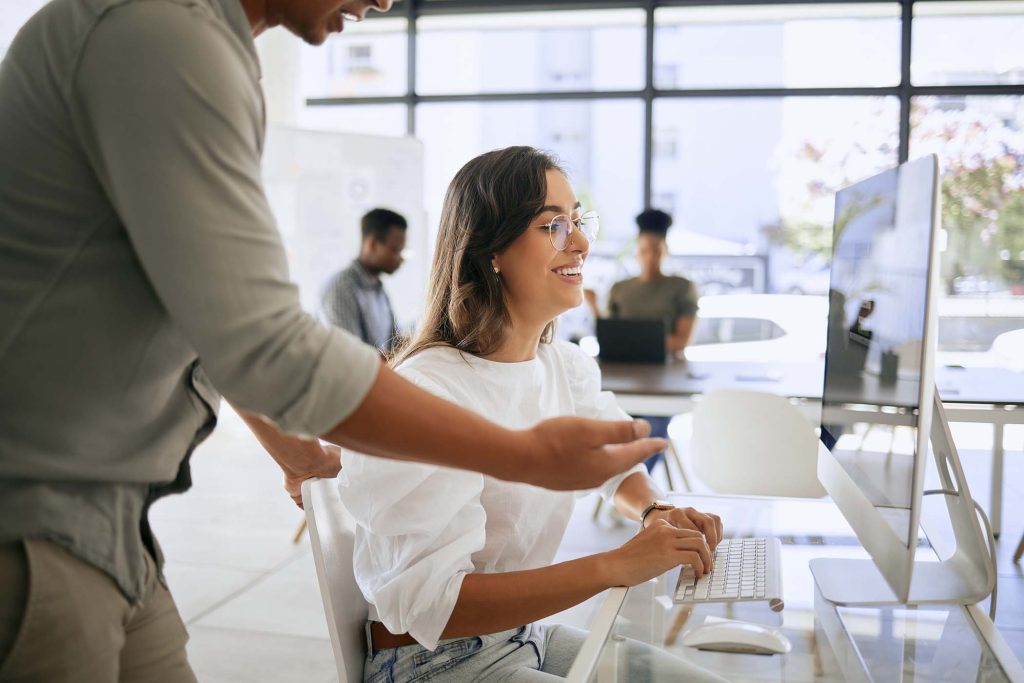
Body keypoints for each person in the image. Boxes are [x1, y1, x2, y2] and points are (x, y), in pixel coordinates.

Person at [0, 2, 665, 679]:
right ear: (490, 251)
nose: (382, 0)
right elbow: (263, 338)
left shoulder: (195, 48)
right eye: (554, 224)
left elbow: (200, 310)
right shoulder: (159, 35)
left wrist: (297, 454)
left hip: (111, 523)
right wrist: (524, 456)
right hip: (34, 513)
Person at [340, 147, 727, 683]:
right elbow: (432, 605)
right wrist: (615, 565)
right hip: (433, 661)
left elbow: (613, 458)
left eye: (578, 221)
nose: (582, 242)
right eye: (553, 225)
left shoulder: (562, 366)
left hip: (524, 635)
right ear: (490, 249)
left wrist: (652, 510)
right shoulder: (428, 392)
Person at [585, 209, 700, 472]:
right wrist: (593, 307)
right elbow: (610, 334)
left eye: (657, 250)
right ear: (636, 251)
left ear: (666, 251)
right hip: (623, 378)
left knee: (649, 427)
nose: (650, 256)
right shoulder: (620, 288)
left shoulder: (682, 287)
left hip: (664, 381)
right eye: (645, 249)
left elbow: (681, 340)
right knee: (609, 423)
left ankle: (635, 486)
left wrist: (634, 341)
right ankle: (623, 485)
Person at [321, 208, 406, 353]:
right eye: (395, 250)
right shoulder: (342, 289)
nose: (401, 259)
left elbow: (395, 343)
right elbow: (351, 357)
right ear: (372, 244)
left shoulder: (378, 289)